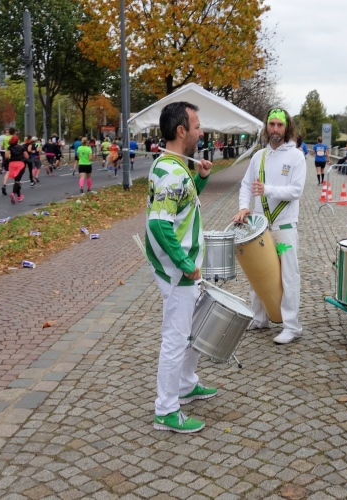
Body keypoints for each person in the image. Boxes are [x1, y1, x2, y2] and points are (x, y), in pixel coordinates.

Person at [146, 101, 214, 433]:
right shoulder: (172, 172)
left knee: (191, 331)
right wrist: (185, 263)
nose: (202, 132)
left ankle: (186, 385)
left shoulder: (174, 166)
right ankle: (166, 410)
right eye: (197, 126)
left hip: (183, 270)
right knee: (175, 339)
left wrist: (200, 180)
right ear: (181, 131)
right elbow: (159, 224)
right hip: (179, 273)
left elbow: (184, 206)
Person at [232, 108, 306, 344]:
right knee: (257, 271)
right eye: (271, 124)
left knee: (288, 275)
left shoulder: (296, 156)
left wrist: (268, 190)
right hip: (260, 226)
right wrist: (244, 207)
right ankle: (259, 318)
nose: (275, 129)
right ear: (266, 127)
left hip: (284, 227)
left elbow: (296, 190)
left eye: (279, 125)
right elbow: (246, 185)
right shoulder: (259, 157)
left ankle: (291, 326)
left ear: (287, 128)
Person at [5, 135, 28, 203]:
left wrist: (10, 160)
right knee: (17, 181)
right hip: (20, 164)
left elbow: (6, 156)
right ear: (17, 141)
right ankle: (13, 193)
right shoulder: (22, 147)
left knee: (16, 180)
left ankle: (19, 196)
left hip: (12, 164)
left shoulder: (10, 147)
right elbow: (27, 156)